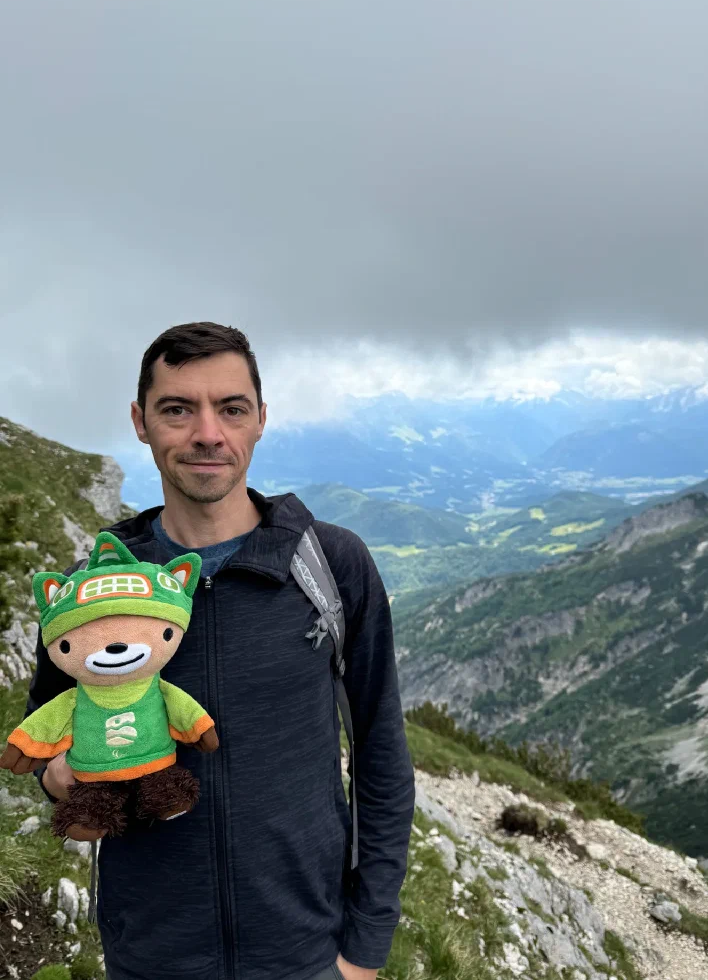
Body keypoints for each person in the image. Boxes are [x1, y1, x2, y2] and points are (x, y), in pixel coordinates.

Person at [24, 321, 416, 980]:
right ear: (140, 421)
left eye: (231, 408)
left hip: (310, 954)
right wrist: (54, 774)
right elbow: (45, 714)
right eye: (178, 408)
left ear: (260, 419)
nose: (209, 433)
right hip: (150, 956)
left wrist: (365, 948)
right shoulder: (93, 589)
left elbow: (381, 754)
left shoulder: (329, 564)